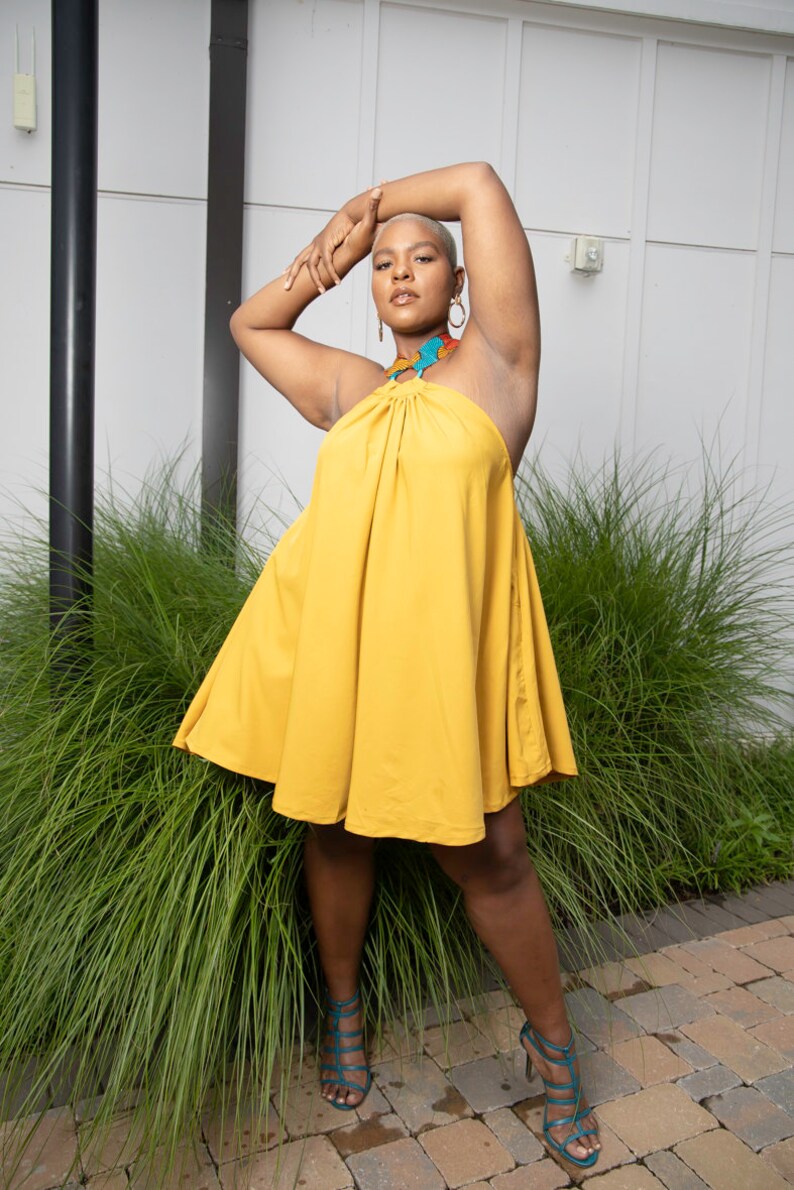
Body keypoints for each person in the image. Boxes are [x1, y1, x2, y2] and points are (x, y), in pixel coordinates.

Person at [173, 162, 601, 1168]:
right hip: (349, 651)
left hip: (448, 659)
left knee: (492, 854)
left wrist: (368, 203)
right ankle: (343, 1009)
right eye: (384, 264)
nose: (399, 270)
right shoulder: (350, 390)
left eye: (422, 259)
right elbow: (250, 326)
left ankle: (554, 1051)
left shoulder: (499, 366)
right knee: (335, 828)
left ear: (459, 284)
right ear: (371, 290)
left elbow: (479, 183)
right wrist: (327, 255)